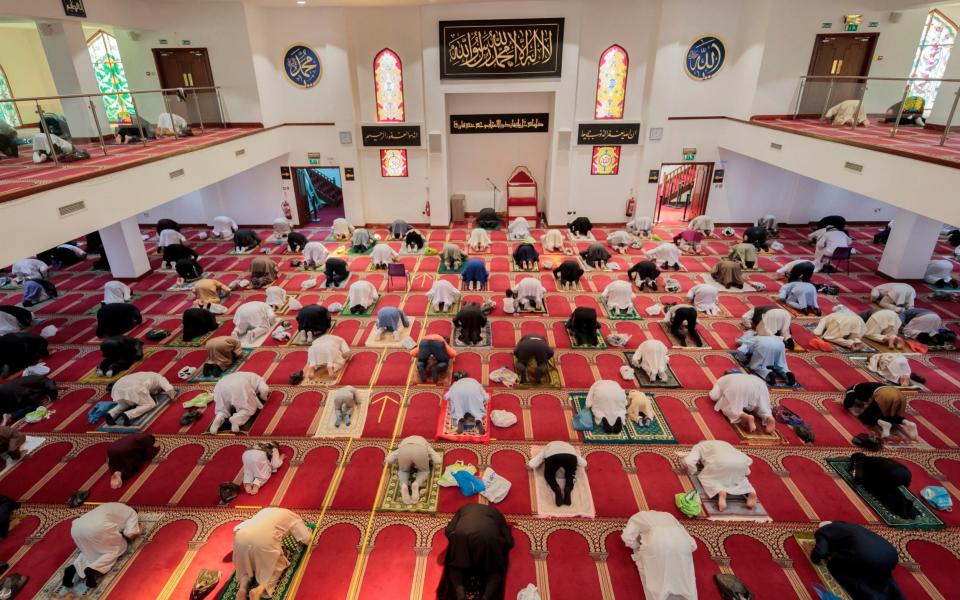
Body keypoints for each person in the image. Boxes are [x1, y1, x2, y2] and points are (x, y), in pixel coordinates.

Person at [810, 521, 905, 600]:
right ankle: (898, 596)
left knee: (835, 566)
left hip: (867, 557)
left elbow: (821, 552)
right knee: (883, 576)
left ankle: (872, 596)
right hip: (891, 555)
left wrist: (815, 556)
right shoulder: (848, 526)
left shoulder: (823, 531)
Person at [232, 508, 312, 600]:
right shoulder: (293, 516)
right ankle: (259, 590)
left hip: (240, 538)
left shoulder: (265, 510)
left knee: (246, 564)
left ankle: (242, 589)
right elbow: (307, 538)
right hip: (263, 542)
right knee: (277, 565)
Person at [437, 504, 513, 600]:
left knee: (455, 567)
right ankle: (485, 597)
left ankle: (460, 595)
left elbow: (448, 531)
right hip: (489, 540)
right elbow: (510, 542)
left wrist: (456, 544)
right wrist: (499, 548)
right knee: (495, 571)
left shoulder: (463, 508)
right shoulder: (498, 514)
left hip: (463, 537)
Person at [61, 503, 140, 589]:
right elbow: (131, 535)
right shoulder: (132, 513)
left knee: (91, 551)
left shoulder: (112, 505)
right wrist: (139, 530)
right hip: (98, 529)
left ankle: (73, 568)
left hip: (76, 528)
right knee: (115, 549)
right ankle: (92, 569)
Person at [621, 511, 697, 600]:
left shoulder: (637, 517)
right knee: (685, 579)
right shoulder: (669, 515)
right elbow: (693, 545)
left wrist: (638, 546)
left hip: (657, 542)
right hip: (682, 544)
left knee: (658, 580)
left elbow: (627, 537)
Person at [683, 440, 757, 511]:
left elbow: (689, 461)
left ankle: (720, 490)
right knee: (740, 478)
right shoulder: (726, 443)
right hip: (741, 462)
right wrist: (743, 472)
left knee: (706, 478)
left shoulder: (699, 446)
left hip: (719, 463)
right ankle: (750, 491)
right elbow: (747, 467)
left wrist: (692, 471)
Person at [850, 453, 919, 519]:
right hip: (906, 474)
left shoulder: (860, 462)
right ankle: (906, 503)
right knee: (891, 487)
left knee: (879, 489)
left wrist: (855, 473)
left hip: (892, 474)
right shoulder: (875, 459)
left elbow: (858, 478)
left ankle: (900, 506)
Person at [843, 383, 917, 440]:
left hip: (883, 394)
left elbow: (848, 403)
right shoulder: (867, 386)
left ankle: (884, 424)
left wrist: (848, 404)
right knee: (890, 414)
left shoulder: (852, 389)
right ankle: (908, 423)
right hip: (899, 394)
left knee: (865, 416)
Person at [385, 435, 443, 504]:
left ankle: (404, 485)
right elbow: (438, 460)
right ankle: (416, 484)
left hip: (404, 451)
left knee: (403, 471)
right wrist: (429, 460)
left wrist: (398, 461)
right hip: (420, 450)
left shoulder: (402, 445)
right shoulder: (425, 443)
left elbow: (388, 459)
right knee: (424, 471)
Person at [709, 373, 775, 433]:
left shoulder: (720, 381)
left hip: (738, 386)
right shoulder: (739, 376)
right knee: (761, 404)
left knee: (724, 403)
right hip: (760, 384)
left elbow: (715, 396)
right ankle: (769, 416)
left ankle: (746, 416)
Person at [106, 372, 175, 427]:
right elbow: (169, 388)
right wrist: (172, 397)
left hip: (117, 386)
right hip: (133, 387)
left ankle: (111, 413)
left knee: (124, 404)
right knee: (150, 404)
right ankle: (128, 415)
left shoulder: (148, 374)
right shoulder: (160, 378)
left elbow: (152, 390)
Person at [528, 441, 586, 506]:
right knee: (570, 475)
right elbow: (583, 463)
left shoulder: (548, 445)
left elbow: (536, 460)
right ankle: (568, 488)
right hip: (570, 457)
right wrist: (582, 465)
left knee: (549, 475)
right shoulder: (570, 447)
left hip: (553, 457)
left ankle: (556, 489)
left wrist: (530, 465)